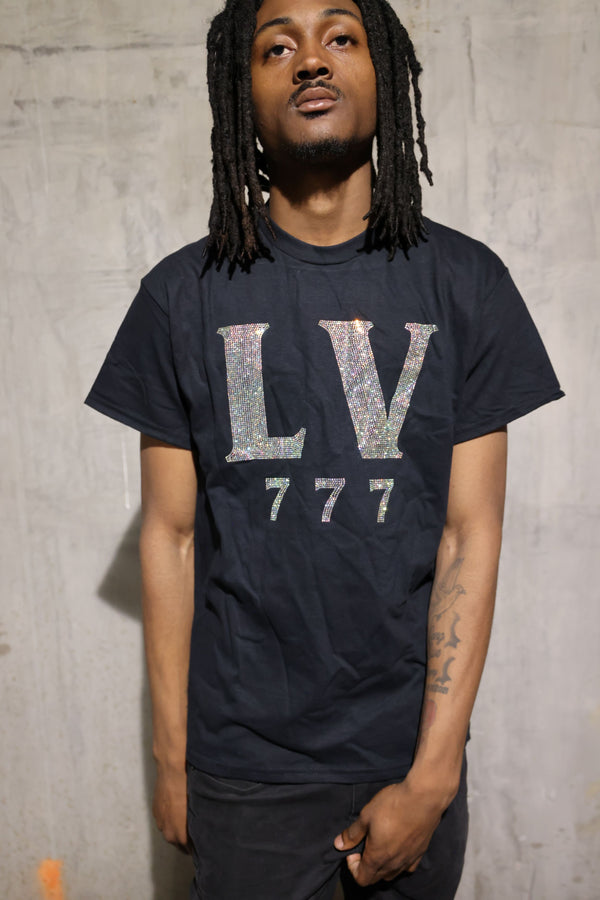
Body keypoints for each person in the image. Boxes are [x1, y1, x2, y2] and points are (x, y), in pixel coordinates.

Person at [85, 0, 563, 897]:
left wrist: (433, 777)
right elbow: (170, 537)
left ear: (385, 72)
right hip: (243, 772)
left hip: (406, 758)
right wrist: (173, 759)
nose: (311, 59)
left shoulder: (465, 283)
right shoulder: (181, 296)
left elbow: (469, 534)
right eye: (278, 46)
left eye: (341, 36)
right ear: (241, 90)